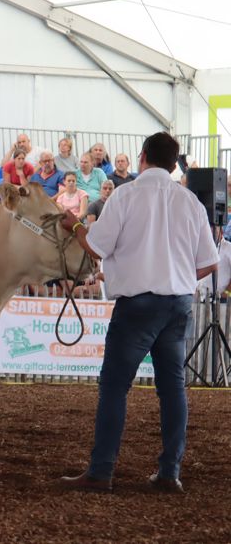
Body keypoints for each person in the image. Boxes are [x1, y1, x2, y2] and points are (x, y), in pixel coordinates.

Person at [60, 132, 218, 494]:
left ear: (142, 156)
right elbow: (208, 263)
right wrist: (176, 276)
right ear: (175, 162)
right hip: (177, 303)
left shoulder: (126, 195)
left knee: (115, 387)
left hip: (137, 305)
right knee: (173, 387)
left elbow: (97, 247)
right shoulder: (190, 200)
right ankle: (169, 472)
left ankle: (101, 471)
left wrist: (77, 225)